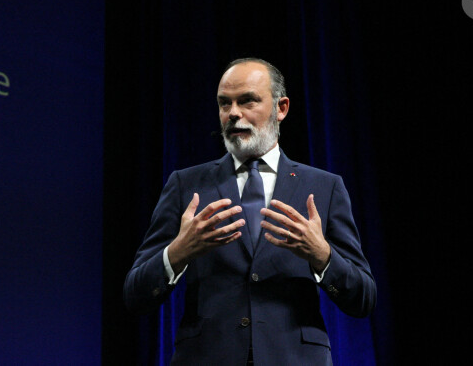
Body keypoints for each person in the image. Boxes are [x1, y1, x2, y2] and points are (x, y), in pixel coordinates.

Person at [124, 58, 376, 365]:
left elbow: (363, 299)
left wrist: (322, 256)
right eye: (224, 103)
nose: (233, 113)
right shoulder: (185, 185)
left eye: (247, 101)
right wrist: (177, 253)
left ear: (280, 108)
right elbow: (135, 295)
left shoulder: (324, 187)